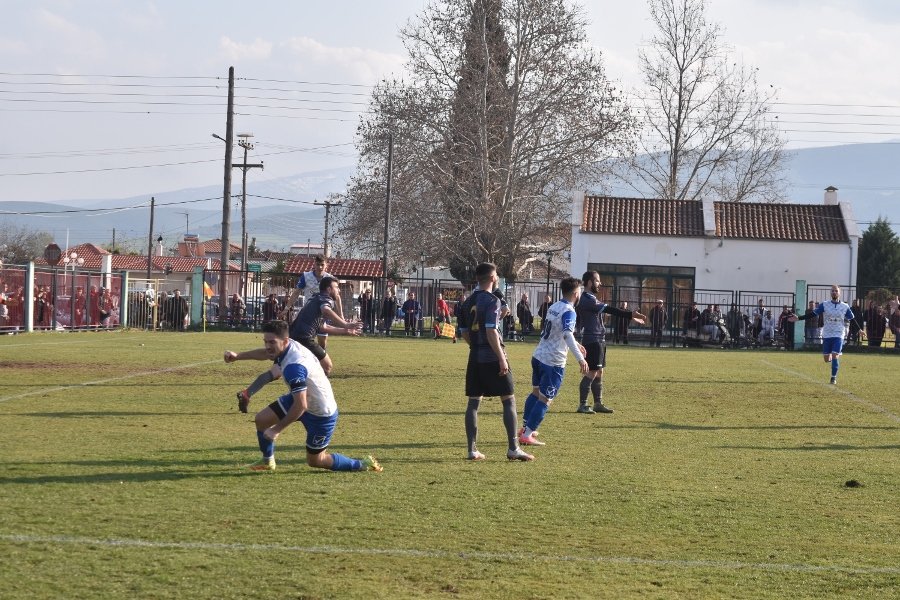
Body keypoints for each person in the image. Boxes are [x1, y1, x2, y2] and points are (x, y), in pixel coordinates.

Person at [223, 320, 382, 473]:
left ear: (285, 341)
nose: (267, 346)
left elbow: (301, 406)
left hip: (321, 412)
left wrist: (276, 430)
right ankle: (267, 462)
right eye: (266, 341)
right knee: (261, 420)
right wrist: (237, 356)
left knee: (316, 460)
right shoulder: (286, 345)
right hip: (304, 397)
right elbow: (266, 353)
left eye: (272, 342)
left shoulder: (294, 367)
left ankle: (362, 464)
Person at [236, 276, 361, 413]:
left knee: (276, 371)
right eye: (337, 288)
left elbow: (322, 327)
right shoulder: (327, 300)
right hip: (304, 339)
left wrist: (345, 330)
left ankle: (247, 393)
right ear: (329, 289)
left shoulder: (315, 298)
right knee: (327, 365)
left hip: (293, 337)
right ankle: (309, 398)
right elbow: (326, 310)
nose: (338, 291)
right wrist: (345, 323)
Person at [457, 262, 533, 462]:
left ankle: (472, 450)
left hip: (475, 358)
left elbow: (464, 332)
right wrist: (501, 358)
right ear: (492, 278)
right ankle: (513, 448)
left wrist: (476, 346)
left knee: (473, 403)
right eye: (497, 274)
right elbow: (491, 331)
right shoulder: (492, 300)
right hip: (492, 357)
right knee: (508, 399)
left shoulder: (467, 301)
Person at [518, 277, 589, 448]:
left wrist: (576, 344)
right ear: (575, 293)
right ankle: (527, 435)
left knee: (535, 393)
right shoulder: (569, 311)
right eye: (580, 291)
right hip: (553, 361)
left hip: (539, 355)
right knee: (545, 399)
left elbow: (557, 331)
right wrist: (580, 359)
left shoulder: (555, 306)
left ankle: (525, 428)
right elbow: (566, 334)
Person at [574, 271, 646, 414]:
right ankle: (582, 405)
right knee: (592, 372)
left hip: (599, 340)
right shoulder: (587, 299)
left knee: (599, 372)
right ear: (589, 282)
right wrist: (630, 315)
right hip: (593, 340)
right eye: (597, 281)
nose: (600, 283)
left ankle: (598, 403)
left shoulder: (590, 298)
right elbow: (610, 310)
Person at [789, 285, 854, 384]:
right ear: (830, 293)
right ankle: (833, 358)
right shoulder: (825, 304)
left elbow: (852, 319)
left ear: (839, 293)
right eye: (832, 291)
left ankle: (833, 377)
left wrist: (860, 330)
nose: (834, 292)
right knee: (827, 359)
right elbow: (813, 314)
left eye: (836, 291)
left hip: (839, 334)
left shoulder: (845, 306)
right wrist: (799, 318)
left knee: (835, 355)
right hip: (827, 334)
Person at [280, 254, 344, 350]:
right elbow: (296, 293)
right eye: (318, 264)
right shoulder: (306, 276)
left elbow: (337, 297)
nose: (320, 267)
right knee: (304, 339)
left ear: (327, 265)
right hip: (309, 312)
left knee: (322, 340)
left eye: (322, 264)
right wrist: (286, 308)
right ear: (314, 264)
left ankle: (321, 357)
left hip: (323, 314)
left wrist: (341, 316)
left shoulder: (330, 279)